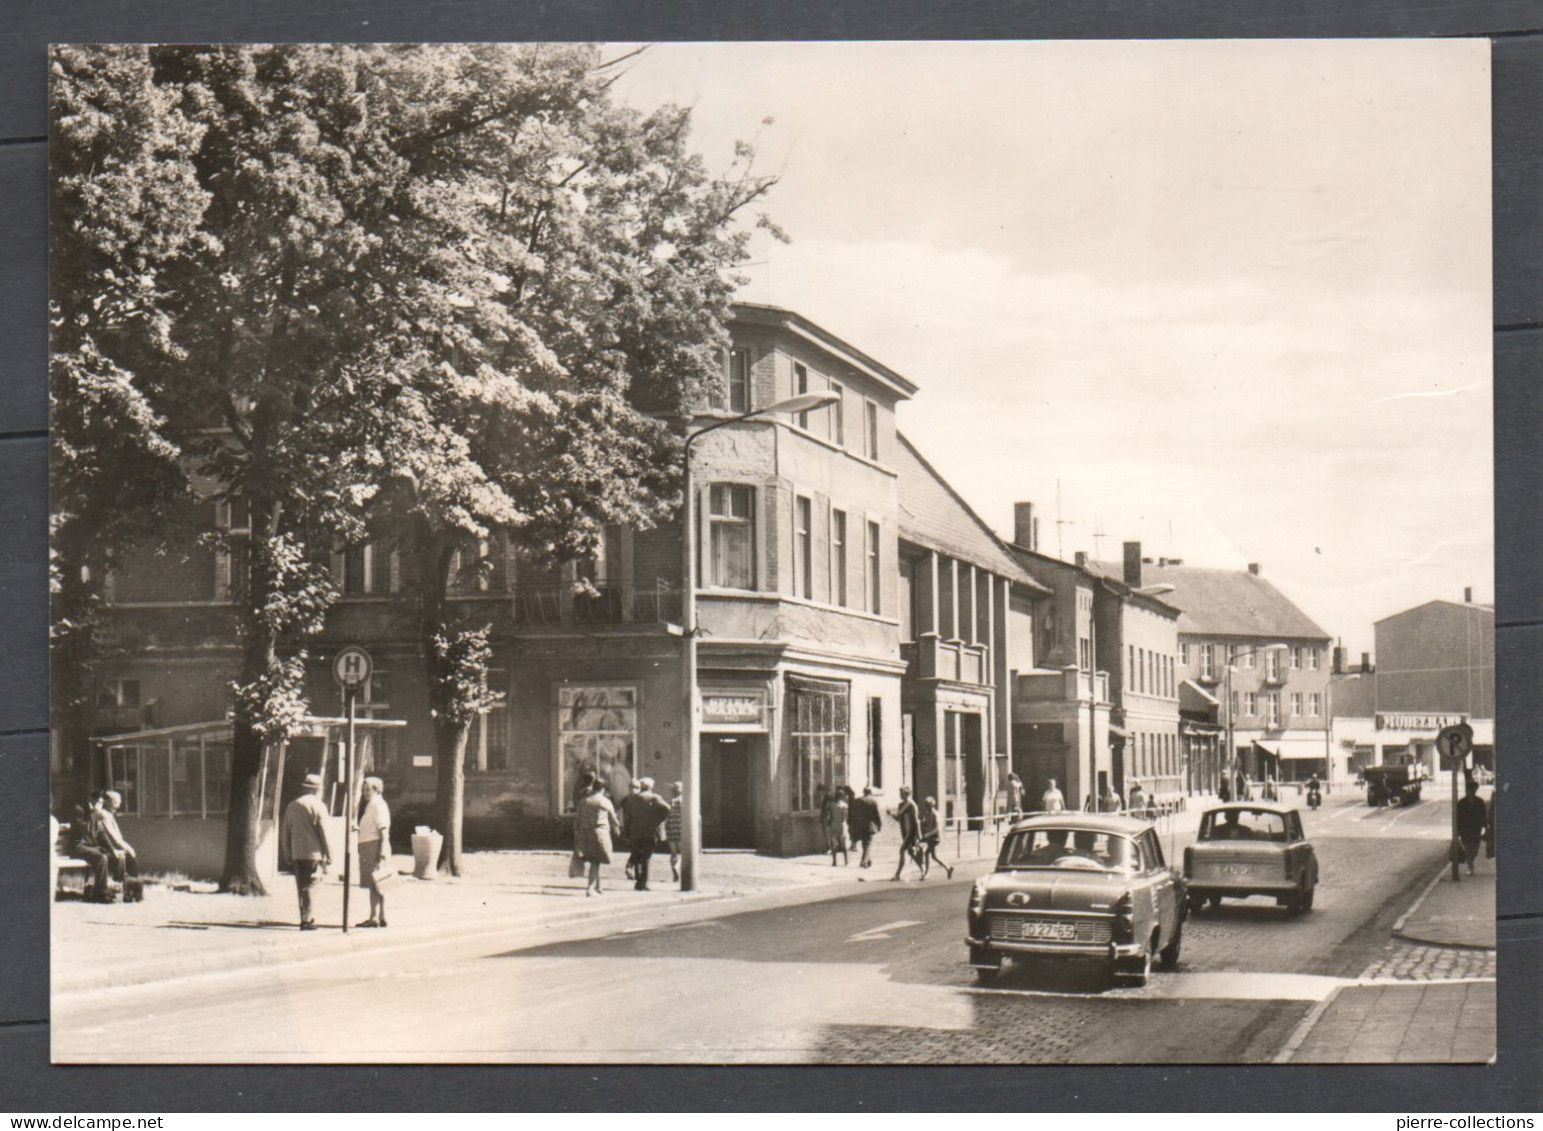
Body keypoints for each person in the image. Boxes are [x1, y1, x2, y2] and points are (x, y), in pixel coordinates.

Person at [280, 773, 333, 930]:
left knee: (301, 885)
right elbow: (324, 832)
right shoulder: (319, 806)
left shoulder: (292, 805)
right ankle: (307, 919)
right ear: (317, 789)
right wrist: (329, 853)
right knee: (311, 886)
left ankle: (303, 915)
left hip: (297, 853)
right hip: (313, 853)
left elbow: (285, 832)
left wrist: (287, 852)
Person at [620, 777, 670, 891]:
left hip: (635, 831)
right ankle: (644, 882)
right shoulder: (655, 798)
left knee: (637, 854)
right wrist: (660, 819)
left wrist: (627, 831)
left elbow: (628, 816)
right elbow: (667, 809)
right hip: (651, 831)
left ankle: (638, 881)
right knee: (647, 857)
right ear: (651, 787)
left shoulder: (632, 799)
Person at [354, 776, 391, 928]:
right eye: (363, 789)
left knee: (374, 883)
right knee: (380, 882)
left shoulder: (376, 804)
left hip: (373, 846)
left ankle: (374, 917)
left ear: (376, 789)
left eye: (368, 789)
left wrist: (382, 848)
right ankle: (381, 915)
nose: (365, 792)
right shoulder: (373, 804)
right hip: (372, 844)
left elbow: (383, 829)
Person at [574, 778, 620, 896]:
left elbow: (577, 819)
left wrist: (577, 835)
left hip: (584, 832)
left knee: (593, 858)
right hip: (599, 832)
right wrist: (616, 828)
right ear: (603, 789)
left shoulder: (583, 801)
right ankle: (590, 889)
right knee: (596, 860)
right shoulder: (604, 801)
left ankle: (599, 887)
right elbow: (613, 818)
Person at [96, 790, 142, 901]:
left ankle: (131, 891)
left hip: (111, 847)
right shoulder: (104, 814)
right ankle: (130, 891)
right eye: (115, 802)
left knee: (130, 859)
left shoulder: (109, 814)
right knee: (130, 858)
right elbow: (113, 838)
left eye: (119, 802)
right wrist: (128, 848)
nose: (118, 805)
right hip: (105, 848)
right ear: (106, 802)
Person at [72, 794, 112, 902]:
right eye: (98, 802)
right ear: (91, 801)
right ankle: (101, 894)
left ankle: (109, 890)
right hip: (79, 846)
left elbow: (102, 835)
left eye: (101, 803)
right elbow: (81, 830)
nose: (100, 805)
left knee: (111, 856)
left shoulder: (95, 815)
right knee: (101, 858)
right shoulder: (79, 810)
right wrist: (93, 813)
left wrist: (113, 851)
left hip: (90, 847)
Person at [1455, 777, 1488, 876]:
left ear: (1475, 790)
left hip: (1476, 828)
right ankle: (1470, 865)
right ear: (1467, 790)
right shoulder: (1461, 803)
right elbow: (1458, 817)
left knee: (1475, 848)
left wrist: (1486, 826)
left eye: (1473, 789)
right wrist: (1457, 830)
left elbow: (1483, 814)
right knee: (1468, 847)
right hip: (1465, 829)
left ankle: (1470, 861)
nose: (1471, 791)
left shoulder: (1480, 801)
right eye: (1469, 789)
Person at [891, 786, 924, 881]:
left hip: (912, 832)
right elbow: (898, 818)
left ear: (907, 794)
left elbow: (916, 820)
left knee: (902, 851)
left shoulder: (912, 805)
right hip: (905, 832)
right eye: (900, 793)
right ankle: (923, 869)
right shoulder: (901, 805)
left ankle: (897, 874)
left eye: (902, 794)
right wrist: (892, 815)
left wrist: (919, 834)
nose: (900, 795)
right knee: (910, 852)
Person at [918, 796, 953, 879]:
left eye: (927, 804)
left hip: (935, 837)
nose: (926, 806)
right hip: (930, 837)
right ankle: (948, 868)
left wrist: (927, 834)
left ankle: (926, 873)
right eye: (925, 804)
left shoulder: (936, 814)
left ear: (931, 805)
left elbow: (937, 829)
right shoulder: (927, 813)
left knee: (926, 853)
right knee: (934, 856)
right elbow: (924, 823)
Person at [848, 786, 882, 868]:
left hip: (859, 825)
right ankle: (864, 861)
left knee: (865, 844)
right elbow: (876, 814)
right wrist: (879, 824)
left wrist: (853, 824)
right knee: (868, 843)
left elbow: (853, 813)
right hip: (869, 825)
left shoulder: (857, 801)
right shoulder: (873, 801)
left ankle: (868, 860)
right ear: (870, 792)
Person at [820, 784, 850, 867]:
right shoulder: (844, 805)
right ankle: (846, 860)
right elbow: (846, 817)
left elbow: (828, 814)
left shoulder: (832, 804)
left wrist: (828, 823)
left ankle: (834, 861)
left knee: (834, 844)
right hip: (842, 825)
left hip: (833, 825)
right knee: (843, 844)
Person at [621, 778, 643, 880]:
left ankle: (634, 870)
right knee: (638, 850)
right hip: (638, 827)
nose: (635, 789)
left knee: (636, 849)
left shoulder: (625, 799)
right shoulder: (640, 799)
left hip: (629, 828)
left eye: (637, 787)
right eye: (634, 787)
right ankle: (631, 868)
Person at [666, 781, 684, 882]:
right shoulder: (685, 802)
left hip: (671, 828)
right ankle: (677, 867)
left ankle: (674, 874)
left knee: (673, 853)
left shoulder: (670, 802)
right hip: (681, 828)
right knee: (682, 852)